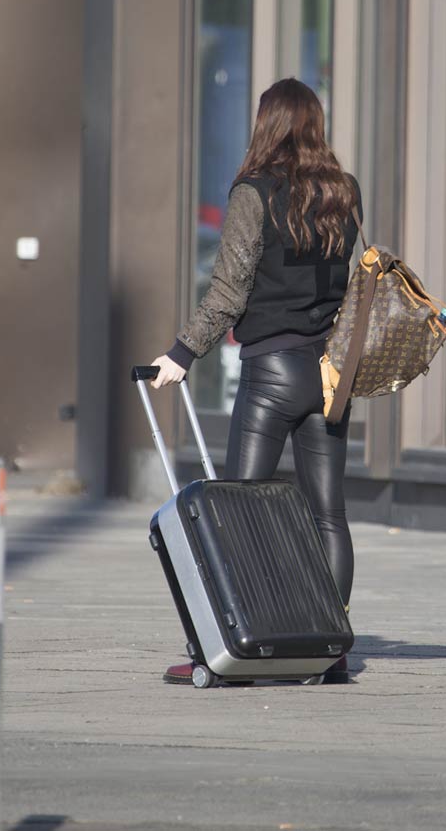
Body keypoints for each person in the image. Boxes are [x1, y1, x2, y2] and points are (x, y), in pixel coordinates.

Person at [150, 77, 360, 686]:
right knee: (328, 517)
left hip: (271, 371)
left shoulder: (255, 192)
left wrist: (181, 354)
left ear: (266, 124)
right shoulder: (343, 194)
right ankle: (331, 649)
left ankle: (233, 649)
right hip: (329, 374)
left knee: (239, 512)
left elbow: (228, 290)